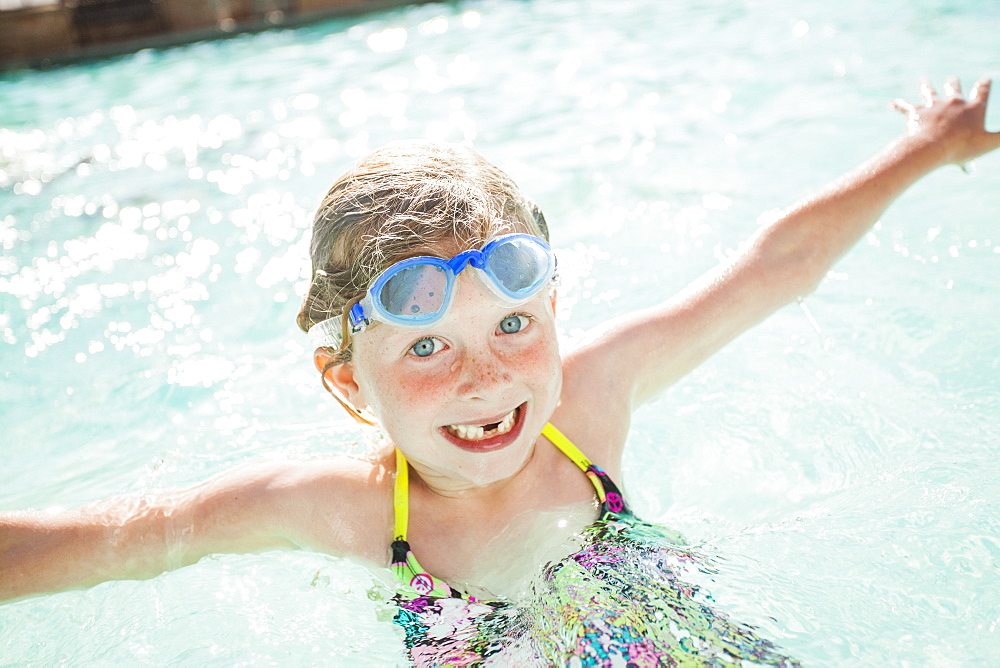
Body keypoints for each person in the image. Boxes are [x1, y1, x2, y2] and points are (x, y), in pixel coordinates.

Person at [2, 77, 998, 666]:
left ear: (555, 315)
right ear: (349, 385)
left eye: (514, 323)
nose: (487, 376)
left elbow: (770, 270)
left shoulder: (590, 403)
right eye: (426, 346)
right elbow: (117, 540)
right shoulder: (335, 504)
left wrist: (921, 149)